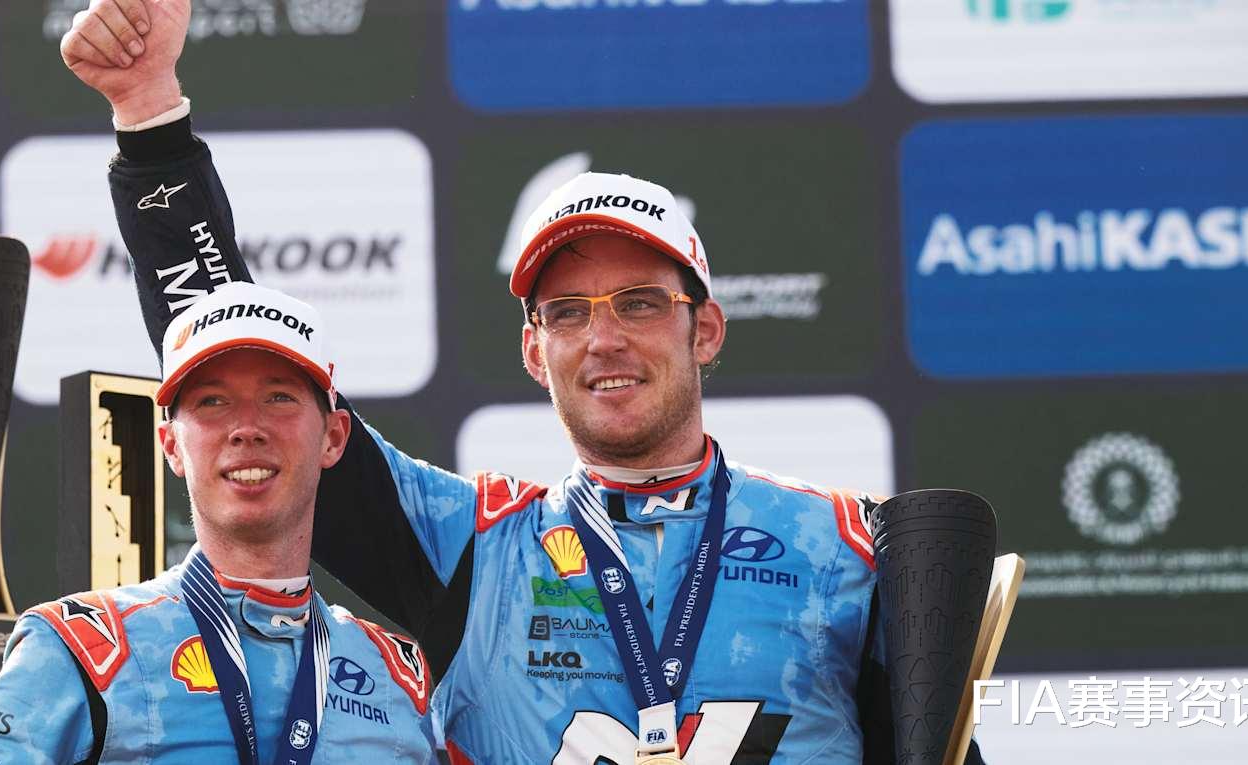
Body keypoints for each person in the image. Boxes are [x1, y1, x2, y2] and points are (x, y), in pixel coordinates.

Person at [68, 2, 985, 762]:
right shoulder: (466, 545)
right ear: (534, 352)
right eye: (569, 312)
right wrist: (151, 121)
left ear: (704, 328)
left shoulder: (848, 548)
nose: (604, 338)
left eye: (639, 302)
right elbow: (231, 341)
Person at [0, 282, 439, 764]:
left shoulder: (397, 677)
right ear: (171, 445)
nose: (247, 428)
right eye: (212, 401)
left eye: (278, 397)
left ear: (333, 437)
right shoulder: (78, 650)